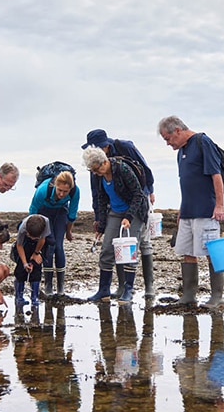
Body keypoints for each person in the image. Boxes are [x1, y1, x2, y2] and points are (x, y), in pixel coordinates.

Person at [157, 116, 224, 307]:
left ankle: (217, 297)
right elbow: (186, 183)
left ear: (178, 131)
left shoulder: (202, 142)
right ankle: (189, 295)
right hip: (188, 210)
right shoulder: (181, 152)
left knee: (210, 252)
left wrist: (219, 205)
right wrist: (182, 210)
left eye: (168, 138)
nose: (168, 143)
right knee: (187, 251)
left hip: (206, 210)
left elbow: (216, 175)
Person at [81, 129, 158, 298]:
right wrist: (100, 223)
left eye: (96, 170)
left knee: (131, 248)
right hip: (115, 211)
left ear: (103, 161)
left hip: (135, 210)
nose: (94, 174)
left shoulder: (122, 166)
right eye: (92, 171)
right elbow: (100, 198)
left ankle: (129, 290)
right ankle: (104, 290)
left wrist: (129, 216)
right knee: (107, 249)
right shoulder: (97, 174)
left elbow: (138, 193)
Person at [28, 169, 80, 297]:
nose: (62, 194)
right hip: (44, 211)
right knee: (49, 246)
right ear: (55, 186)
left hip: (61, 211)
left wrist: (68, 231)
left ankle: (61, 287)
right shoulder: (43, 190)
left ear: (70, 189)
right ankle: (48, 286)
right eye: (59, 190)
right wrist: (33, 233)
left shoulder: (75, 191)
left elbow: (72, 214)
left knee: (58, 246)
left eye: (65, 191)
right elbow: (33, 211)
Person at [11, 214, 49, 307]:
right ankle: (19, 297)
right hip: (23, 245)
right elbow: (19, 245)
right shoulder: (22, 228)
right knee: (20, 271)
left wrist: (36, 253)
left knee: (36, 269)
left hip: (38, 246)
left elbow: (43, 239)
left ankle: (34, 297)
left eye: (35, 237)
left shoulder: (46, 223)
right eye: (31, 236)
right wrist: (24, 263)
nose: (32, 238)